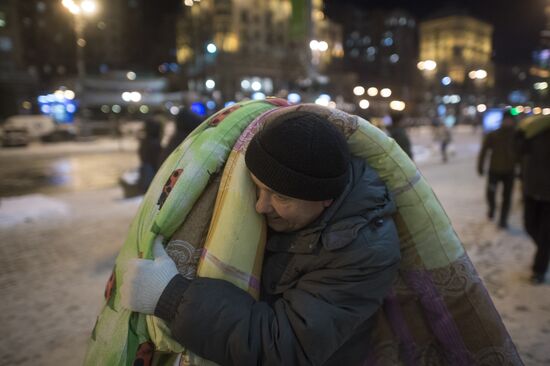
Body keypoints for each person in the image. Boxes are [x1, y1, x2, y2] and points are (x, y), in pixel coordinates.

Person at [120, 112, 401, 365]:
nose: (260, 206)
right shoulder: (289, 218)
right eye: (258, 188)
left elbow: (285, 345)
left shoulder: (365, 249)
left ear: (325, 198)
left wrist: (172, 297)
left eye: (281, 196)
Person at [516, 121, 550, 284]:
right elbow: (518, 150)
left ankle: (539, 270)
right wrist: (519, 137)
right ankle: (545, 250)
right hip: (532, 190)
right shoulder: (536, 132)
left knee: (545, 234)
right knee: (529, 226)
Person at [477, 110, 518, 228]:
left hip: (509, 172)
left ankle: (503, 219)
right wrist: (480, 166)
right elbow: (484, 151)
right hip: (494, 170)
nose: (508, 122)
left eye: (510, 120)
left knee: (507, 197)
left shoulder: (516, 136)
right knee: (491, 193)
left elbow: (521, 154)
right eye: (506, 119)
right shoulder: (494, 134)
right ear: (503, 120)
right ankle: (492, 208)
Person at [137, 118, 163, 193]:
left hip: (145, 170)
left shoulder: (145, 141)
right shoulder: (155, 144)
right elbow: (158, 161)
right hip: (152, 174)